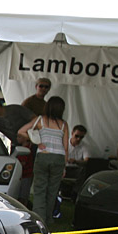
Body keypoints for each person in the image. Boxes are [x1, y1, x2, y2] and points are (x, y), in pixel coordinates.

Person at [19, 96, 68, 224]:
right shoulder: (63, 125)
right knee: (53, 190)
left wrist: (36, 142)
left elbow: (22, 131)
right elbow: (66, 147)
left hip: (43, 156)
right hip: (59, 157)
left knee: (40, 188)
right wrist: (64, 166)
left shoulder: (40, 120)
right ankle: (48, 218)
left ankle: (39, 219)